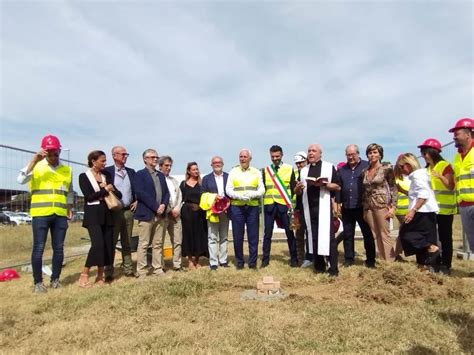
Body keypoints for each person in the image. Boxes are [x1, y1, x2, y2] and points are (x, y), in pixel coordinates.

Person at [17, 135, 73, 293]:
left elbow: (69, 191)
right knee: (39, 248)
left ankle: (55, 279)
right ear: (43, 152)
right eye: (49, 153)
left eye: (56, 153)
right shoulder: (36, 166)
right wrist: (34, 160)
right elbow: (20, 179)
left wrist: (69, 207)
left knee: (59, 248)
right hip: (41, 214)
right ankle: (38, 283)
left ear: (59, 151)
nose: (53, 157)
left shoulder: (66, 170)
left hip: (60, 215)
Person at [294, 144, 341, 276]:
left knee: (328, 238)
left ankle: (333, 269)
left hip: (324, 207)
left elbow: (337, 186)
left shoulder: (328, 166)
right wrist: (297, 188)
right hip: (309, 208)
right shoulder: (303, 170)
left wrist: (324, 184)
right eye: (309, 151)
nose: (311, 153)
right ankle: (319, 267)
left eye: (314, 151)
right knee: (313, 237)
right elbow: (297, 191)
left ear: (320, 154)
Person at [78, 150, 122, 287]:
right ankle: (84, 275)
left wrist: (111, 188)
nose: (105, 163)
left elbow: (118, 195)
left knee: (107, 245)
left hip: (107, 214)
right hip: (93, 215)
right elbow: (89, 197)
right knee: (97, 245)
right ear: (93, 161)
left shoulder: (106, 175)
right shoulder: (83, 176)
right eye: (102, 161)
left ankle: (100, 276)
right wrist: (104, 190)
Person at [418, 138, 456, 274]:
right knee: (432, 239)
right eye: (422, 152)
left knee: (445, 237)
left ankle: (446, 265)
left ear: (434, 152)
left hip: (445, 209)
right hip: (431, 209)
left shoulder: (444, 165)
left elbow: (451, 186)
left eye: (425, 152)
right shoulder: (426, 169)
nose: (423, 155)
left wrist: (440, 176)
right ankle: (435, 262)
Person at [396, 153, 440, 269]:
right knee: (422, 238)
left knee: (406, 234)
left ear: (409, 165)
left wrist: (413, 211)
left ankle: (432, 248)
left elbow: (423, 195)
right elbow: (415, 195)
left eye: (402, 167)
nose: (401, 170)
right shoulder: (419, 175)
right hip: (424, 212)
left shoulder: (417, 176)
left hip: (422, 212)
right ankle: (422, 265)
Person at [335, 144, 376, 268]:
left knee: (367, 234)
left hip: (362, 207)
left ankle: (370, 260)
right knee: (348, 235)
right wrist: (337, 204)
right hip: (347, 207)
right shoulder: (342, 170)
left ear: (358, 154)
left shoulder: (366, 166)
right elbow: (338, 188)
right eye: (348, 155)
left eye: (353, 154)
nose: (351, 157)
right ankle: (349, 259)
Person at [133, 149, 170, 278]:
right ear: (145, 159)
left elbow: (166, 193)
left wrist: (164, 205)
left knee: (158, 243)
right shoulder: (140, 174)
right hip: (147, 214)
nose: (155, 159)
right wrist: (155, 207)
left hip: (160, 215)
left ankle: (157, 268)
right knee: (143, 243)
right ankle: (142, 270)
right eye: (152, 157)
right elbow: (141, 193)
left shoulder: (160, 175)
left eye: (156, 157)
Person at [226, 149, 265, 269]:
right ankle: (239, 262)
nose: (242, 159)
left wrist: (253, 195)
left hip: (252, 206)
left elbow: (261, 189)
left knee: (253, 236)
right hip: (237, 207)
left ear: (250, 159)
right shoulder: (233, 171)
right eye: (240, 156)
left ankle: (252, 263)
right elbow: (228, 189)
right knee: (238, 236)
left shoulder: (256, 172)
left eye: (245, 157)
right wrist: (238, 196)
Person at [261, 145, 298, 267]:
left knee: (289, 233)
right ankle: (265, 260)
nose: (275, 158)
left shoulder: (289, 168)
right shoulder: (266, 170)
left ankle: (294, 259)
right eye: (273, 157)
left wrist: (292, 205)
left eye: (277, 156)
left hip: (284, 205)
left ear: (282, 155)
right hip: (269, 205)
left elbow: (293, 188)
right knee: (267, 234)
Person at [104, 146, 136, 281]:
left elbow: (136, 188)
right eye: (123, 154)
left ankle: (128, 268)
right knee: (111, 242)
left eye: (126, 154)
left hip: (129, 211)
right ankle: (109, 272)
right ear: (114, 156)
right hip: (113, 212)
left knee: (127, 241)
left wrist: (137, 200)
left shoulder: (131, 172)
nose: (125, 156)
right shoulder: (107, 172)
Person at [361, 143, 398, 261]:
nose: (372, 155)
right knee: (375, 235)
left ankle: (390, 262)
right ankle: (382, 260)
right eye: (370, 153)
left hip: (382, 205)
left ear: (380, 154)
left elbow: (393, 188)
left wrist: (393, 207)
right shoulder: (365, 171)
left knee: (384, 234)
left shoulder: (386, 169)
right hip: (369, 207)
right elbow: (364, 190)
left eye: (375, 152)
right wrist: (364, 209)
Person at [449, 117, 474, 252]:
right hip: (464, 205)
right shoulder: (457, 157)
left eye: (457, 134)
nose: (454, 137)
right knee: (473, 241)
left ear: (468, 134)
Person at [201, 156, 230, 270]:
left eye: (219, 162)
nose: (217, 164)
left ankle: (223, 260)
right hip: (212, 212)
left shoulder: (228, 177)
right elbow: (202, 194)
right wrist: (213, 198)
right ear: (211, 165)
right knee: (212, 237)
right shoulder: (206, 179)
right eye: (215, 162)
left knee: (224, 237)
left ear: (222, 164)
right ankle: (213, 262)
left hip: (225, 211)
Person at [180, 162, 209, 269]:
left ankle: (197, 259)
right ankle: (190, 261)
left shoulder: (202, 184)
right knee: (188, 235)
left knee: (199, 235)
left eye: (197, 169)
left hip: (200, 212)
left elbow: (206, 198)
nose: (196, 171)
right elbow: (180, 199)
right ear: (188, 171)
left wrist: (200, 207)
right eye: (193, 169)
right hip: (187, 213)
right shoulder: (183, 184)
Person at [158, 155, 183, 271]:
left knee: (177, 240)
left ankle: (177, 264)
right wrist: (168, 210)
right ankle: (160, 265)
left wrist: (177, 209)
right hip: (163, 214)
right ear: (160, 166)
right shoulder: (157, 179)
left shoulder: (174, 181)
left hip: (176, 214)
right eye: (166, 165)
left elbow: (179, 196)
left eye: (170, 166)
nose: (168, 168)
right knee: (159, 241)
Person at [293, 151, 312, 267]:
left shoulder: (311, 172)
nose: (299, 165)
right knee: (298, 234)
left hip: (310, 209)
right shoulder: (295, 174)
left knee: (310, 233)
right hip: (297, 210)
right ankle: (300, 258)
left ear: (306, 161)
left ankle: (311, 257)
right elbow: (293, 191)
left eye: (301, 162)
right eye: (297, 163)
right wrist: (297, 188)